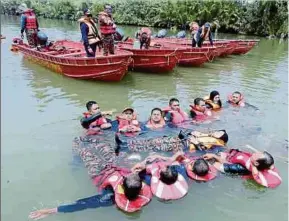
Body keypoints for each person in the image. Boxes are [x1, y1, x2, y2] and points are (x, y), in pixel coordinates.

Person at [28, 143, 153, 220]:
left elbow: (82, 204)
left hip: (99, 172)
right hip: (114, 165)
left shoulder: (109, 197)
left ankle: (77, 154)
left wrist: (50, 211)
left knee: (85, 151)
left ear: (122, 187)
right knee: (104, 146)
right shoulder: (144, 185)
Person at [203, 149, 282, 188]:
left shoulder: (241, 168)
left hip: (228, 168)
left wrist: (214, 156)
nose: (254, 153)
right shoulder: (260, 164)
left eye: (257, 154)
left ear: (256, 163)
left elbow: (222, 167)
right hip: (230, 157)